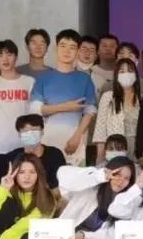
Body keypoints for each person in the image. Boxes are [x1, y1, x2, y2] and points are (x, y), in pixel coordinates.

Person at [55, 156, 137, 239]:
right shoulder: (91, 188)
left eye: (126, 178)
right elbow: (62, 174)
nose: (121, 181)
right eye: (117, 175)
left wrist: (84, 235)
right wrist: (99, 175)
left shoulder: (127, 203)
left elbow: (113, 236)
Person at [29, 29, 97, 166]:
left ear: (77, 51)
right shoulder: (43, 78)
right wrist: (66, 107)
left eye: (72, 47)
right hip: (47, 140)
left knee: (74, 177)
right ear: (56, 48)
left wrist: (77, 136)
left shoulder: (85, 79)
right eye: (63, 46)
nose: (67, 51)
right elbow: (36, 110)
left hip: (75, 140)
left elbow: (90, 112)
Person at [93, 58, 142, 163]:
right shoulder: (108, 97)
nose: (126, 74)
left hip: (137, 148)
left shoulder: (142, 98)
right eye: (122, 71)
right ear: (116, 75)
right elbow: (100, 129)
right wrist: (100, 155)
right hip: (115, 148)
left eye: (130, 71)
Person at [6, 114, 67, 189]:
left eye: (34, 130)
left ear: (42, 132)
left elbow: (59, 186)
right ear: (19, 134)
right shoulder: (13, 156)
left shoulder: (55, 155)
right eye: (25, 131)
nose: (30, 134)